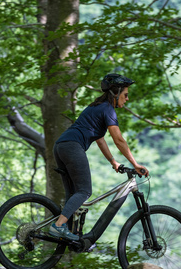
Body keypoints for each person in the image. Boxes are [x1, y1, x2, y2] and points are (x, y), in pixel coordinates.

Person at [49, 73, 149, 241]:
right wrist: (135, 163)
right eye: (125, 94)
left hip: (61, 146)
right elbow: (118, 139)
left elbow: (100, 139)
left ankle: (69, 235)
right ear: (116, 93)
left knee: (73, 196)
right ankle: (58, 226)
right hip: (73, 146)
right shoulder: (108, 110)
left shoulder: (97, 107)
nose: (127, 98)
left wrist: (113, 161)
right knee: (84, 191)